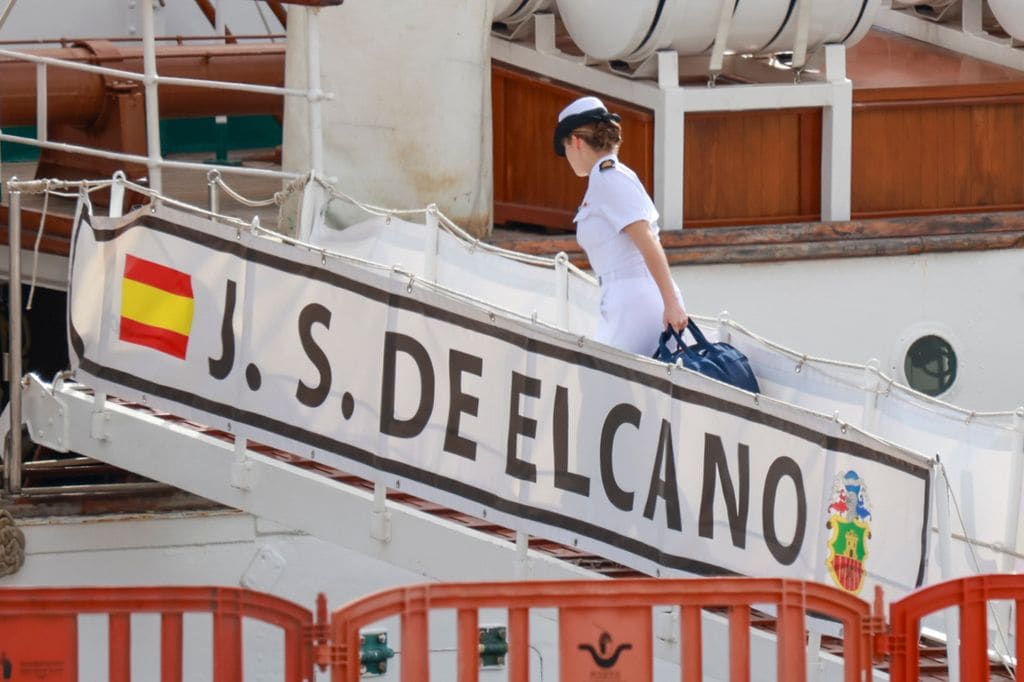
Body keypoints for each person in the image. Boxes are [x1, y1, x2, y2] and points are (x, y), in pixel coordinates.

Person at [554, 95, 688, 355]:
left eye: (566, 147)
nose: (567, 156)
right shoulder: (605, 179)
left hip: (635, 302)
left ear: (577, 142)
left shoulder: (608, 179)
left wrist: (672, 303)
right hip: (624, 300)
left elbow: (647, 239)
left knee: (600, 381)